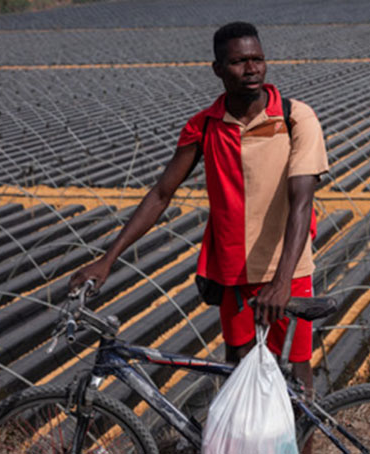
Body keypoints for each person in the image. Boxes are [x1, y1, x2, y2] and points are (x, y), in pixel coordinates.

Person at [69, 21, 328, 391]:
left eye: (257, 59)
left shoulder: (294, 117)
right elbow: (161, 194)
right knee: (238, 376)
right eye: (239, 62)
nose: (252, 69)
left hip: (287, 270)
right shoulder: (204, 127)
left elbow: (302, 201)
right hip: (233, 274)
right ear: (218, 70)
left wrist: (283, 281)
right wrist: (107, 260)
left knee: (298, 382)